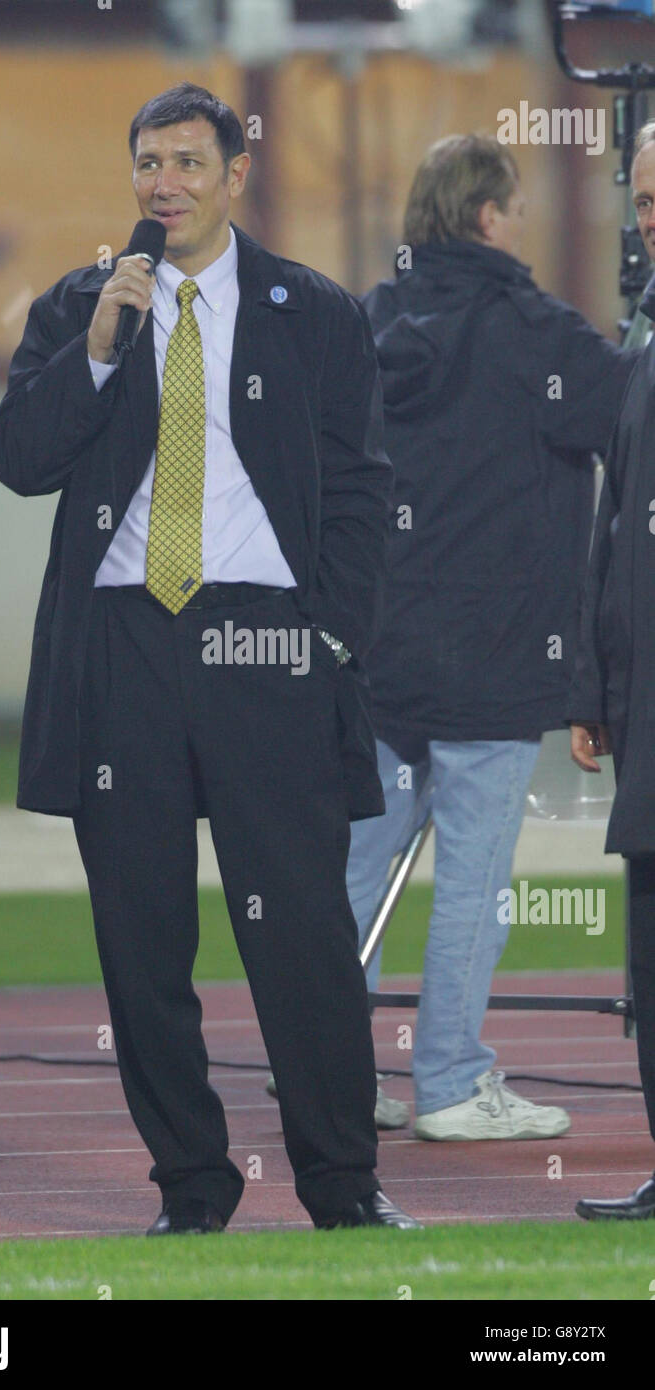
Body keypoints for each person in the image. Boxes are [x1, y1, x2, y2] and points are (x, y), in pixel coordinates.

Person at [0, 83, 421, 1233]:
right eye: (147, 163)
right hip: (122, 647)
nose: (163, 184)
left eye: (187, 161)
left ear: (235, 174)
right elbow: (19, 460)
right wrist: (90, 355)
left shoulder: (313, 312)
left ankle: (343, 1188)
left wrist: (330, 635)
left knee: (304, 939)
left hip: (266, 639)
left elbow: (364, 490)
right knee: (140, 941)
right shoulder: (84, 306)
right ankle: (192, 1187)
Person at [344, 135, 638, 1141]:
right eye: (514, 209)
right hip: (501, 652)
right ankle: (453, 1081)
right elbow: (628, 418)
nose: (523, 225)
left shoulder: (370, 320)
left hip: (380, 649)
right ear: (485, 218)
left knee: (355, 869)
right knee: (473, 881)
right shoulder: (534, 329)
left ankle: (330, 1072)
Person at [569, 119, 655, 1221]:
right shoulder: (643, 333)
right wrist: (592, 682)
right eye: (642, 199)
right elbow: (615, 515)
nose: (652, 218)